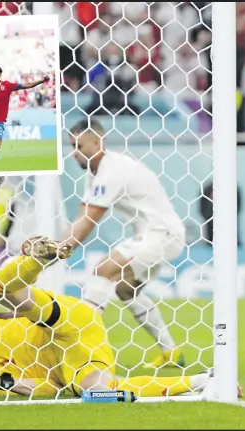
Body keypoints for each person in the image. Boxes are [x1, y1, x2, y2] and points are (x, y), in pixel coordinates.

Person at [0, 237, 213, 399]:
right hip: (76, 360)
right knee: (98, 394)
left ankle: (36, 260)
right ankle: (202, 380)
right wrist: (3, 381)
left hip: (65, 322)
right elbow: (46, 388)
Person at [64, 118, 186, 370]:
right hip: (150, 235)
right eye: (71, 146)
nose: (74, 152)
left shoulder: (112, 170)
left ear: (98, 142)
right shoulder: (97, 172)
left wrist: (64, 248)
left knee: (103, 270)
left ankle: (79, 345)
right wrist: (62, 244)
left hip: (161, 233)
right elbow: (83, 211)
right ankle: (171, 352)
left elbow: (90, 218)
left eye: (79, 145)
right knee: (125, 290)